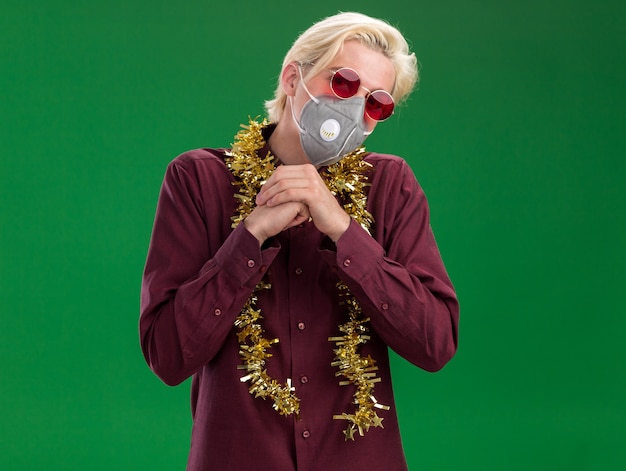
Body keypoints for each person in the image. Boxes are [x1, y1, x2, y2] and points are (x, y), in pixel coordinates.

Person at [140, 11, 459, 471]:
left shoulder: (389, 185)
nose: (354, 108)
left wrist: (343, 231)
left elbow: (435, 344)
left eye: (377, 102)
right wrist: (251, 235)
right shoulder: (197, 179)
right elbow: (168, 356)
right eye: (344, 82)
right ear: (293, 78)